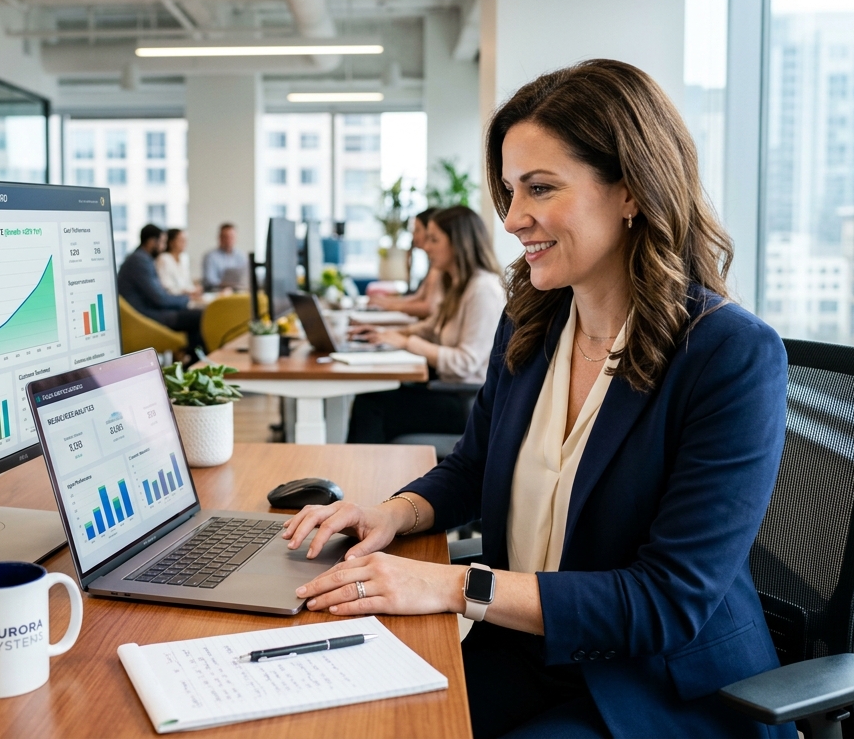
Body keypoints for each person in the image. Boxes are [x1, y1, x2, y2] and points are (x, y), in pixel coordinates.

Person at [284, 60, 792, 739]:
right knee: (365, 718)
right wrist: (389, 514)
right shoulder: (534, 323)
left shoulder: (730, 356)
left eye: (541, 188)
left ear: (632, 191)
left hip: (654, 684)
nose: (515, 218)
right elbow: (471, 467)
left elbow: (666, 602)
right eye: (509, 190)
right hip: (528, 651)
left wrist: (455, 586)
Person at [346, 205, 504, 443]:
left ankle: (361, 476)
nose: (426, 246)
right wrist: (389, 334)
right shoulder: (457, 284)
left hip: (466, 403)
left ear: (458, 243)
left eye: (434, 240)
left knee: (372, 404)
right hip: (446, 389)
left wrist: (407, 342)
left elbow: (466, 362)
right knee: (369, 398)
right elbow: (433, 327)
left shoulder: (482, 290)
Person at [117, 224, 203, 352]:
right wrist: (185, 299)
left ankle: (190, 361)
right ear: (152, 242)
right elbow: (159, 298)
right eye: (162, 242)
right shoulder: (140, 261)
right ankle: (194, 363)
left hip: (148, 311)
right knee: (200, 316)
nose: (164, 247)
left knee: (194, 317)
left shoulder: (141, 258)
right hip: (146, 316)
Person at [373, 208, 443, 318]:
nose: (413, 235)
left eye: (417, 230)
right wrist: (386, 303)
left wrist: (391, 306)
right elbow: (419, 297)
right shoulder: (433, 265)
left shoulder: (438, 267)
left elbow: (428, 307)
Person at [201, 222, 250, 291]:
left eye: (231, 237)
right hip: (217, 292)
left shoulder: (241, 255)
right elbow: (209, 281)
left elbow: (246, 276)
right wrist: (227, 285)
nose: (229, 240)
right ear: (219, 238)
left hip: (238, 292)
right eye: (226, 237)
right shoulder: (210, 257)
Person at [155, 228, 196, 296]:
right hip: (174, 299)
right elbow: (166, 287)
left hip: (188, 296)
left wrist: (194, 290)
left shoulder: (184, 258)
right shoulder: (163, 258)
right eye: (181, 240)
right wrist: (185, 292)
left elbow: (188, 283)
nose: (184, 243)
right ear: (171, 242)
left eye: (185, 240)